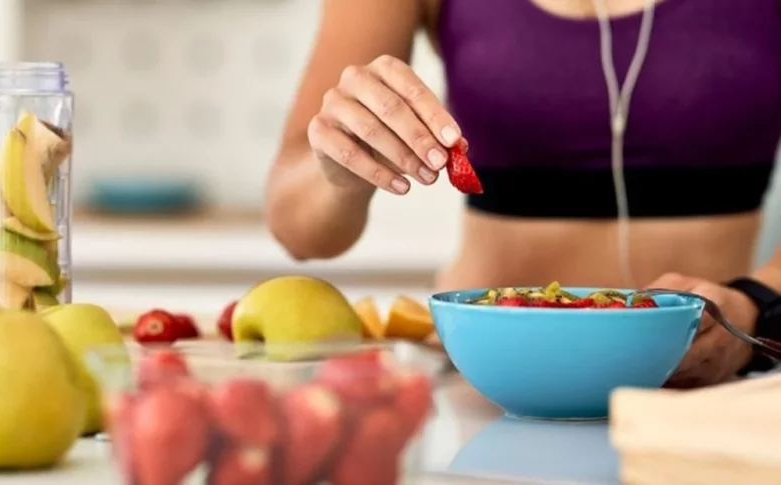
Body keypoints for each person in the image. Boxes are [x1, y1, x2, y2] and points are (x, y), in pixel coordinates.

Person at [264, 0, 781, 388]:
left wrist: (754, 303)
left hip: (703, 385)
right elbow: (297, 227)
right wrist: (339, 168)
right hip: (477, 387)